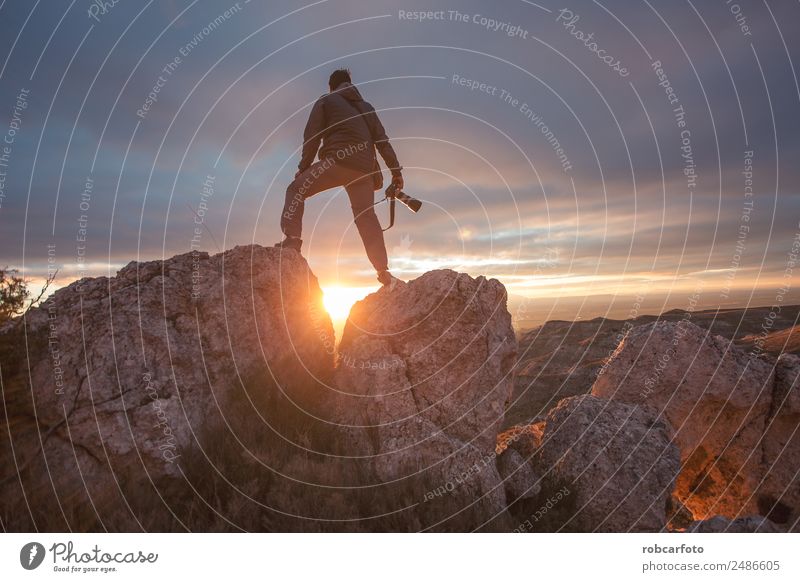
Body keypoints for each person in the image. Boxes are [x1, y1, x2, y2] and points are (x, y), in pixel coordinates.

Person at [275, 68, 403, 288]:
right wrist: (396, 172)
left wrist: (303, 167)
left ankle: (292, 241)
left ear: (331, 86)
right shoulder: (367, 107)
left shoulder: (327, 100)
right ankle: (383, 271)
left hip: (338, 161)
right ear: (350, 84)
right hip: (364, 171)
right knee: (366, 218)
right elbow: (383, 142)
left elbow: (312, 135)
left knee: (295, 190)